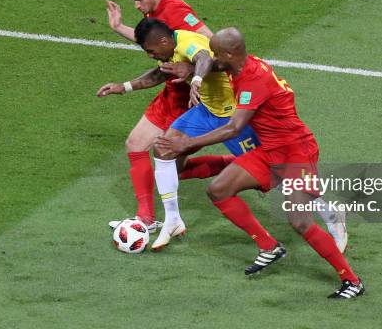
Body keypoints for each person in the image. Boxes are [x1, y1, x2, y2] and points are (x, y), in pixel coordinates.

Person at [155, 28, 364, 299]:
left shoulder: (254, 79)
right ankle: (269, 246)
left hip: (295, 152)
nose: (214, 58)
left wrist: (186, 144)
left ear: (230, 53)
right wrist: (191, 70)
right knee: (218, 190)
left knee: (300, 222)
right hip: (270, 150)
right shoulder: (239, 65)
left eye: (217, 53)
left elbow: (234, 127)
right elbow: (210, 62)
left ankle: (352, 281)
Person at [104, 18, 261, 250]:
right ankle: (173, 220)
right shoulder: (171, 50)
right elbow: (159, 75)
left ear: (165, 41)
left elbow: (204, 58)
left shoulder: (186, 42)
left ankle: (328, 214)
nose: (150, 55)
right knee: (164, 148)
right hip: (207, 112)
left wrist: (195, 78)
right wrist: (124, 87)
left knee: (274, 172)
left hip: (233, 115)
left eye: (151, 50)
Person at [100, 0, 228, 232]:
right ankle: (145, 218)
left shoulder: (177, 12)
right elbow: (154, 45)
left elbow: (215, 49)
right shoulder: (152, 11)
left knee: (171, 168)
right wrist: (118, 27)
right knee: (136, 144)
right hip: (170, 91)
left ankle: (239, 165)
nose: (136, 5)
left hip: (189, 100)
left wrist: (194, 74)